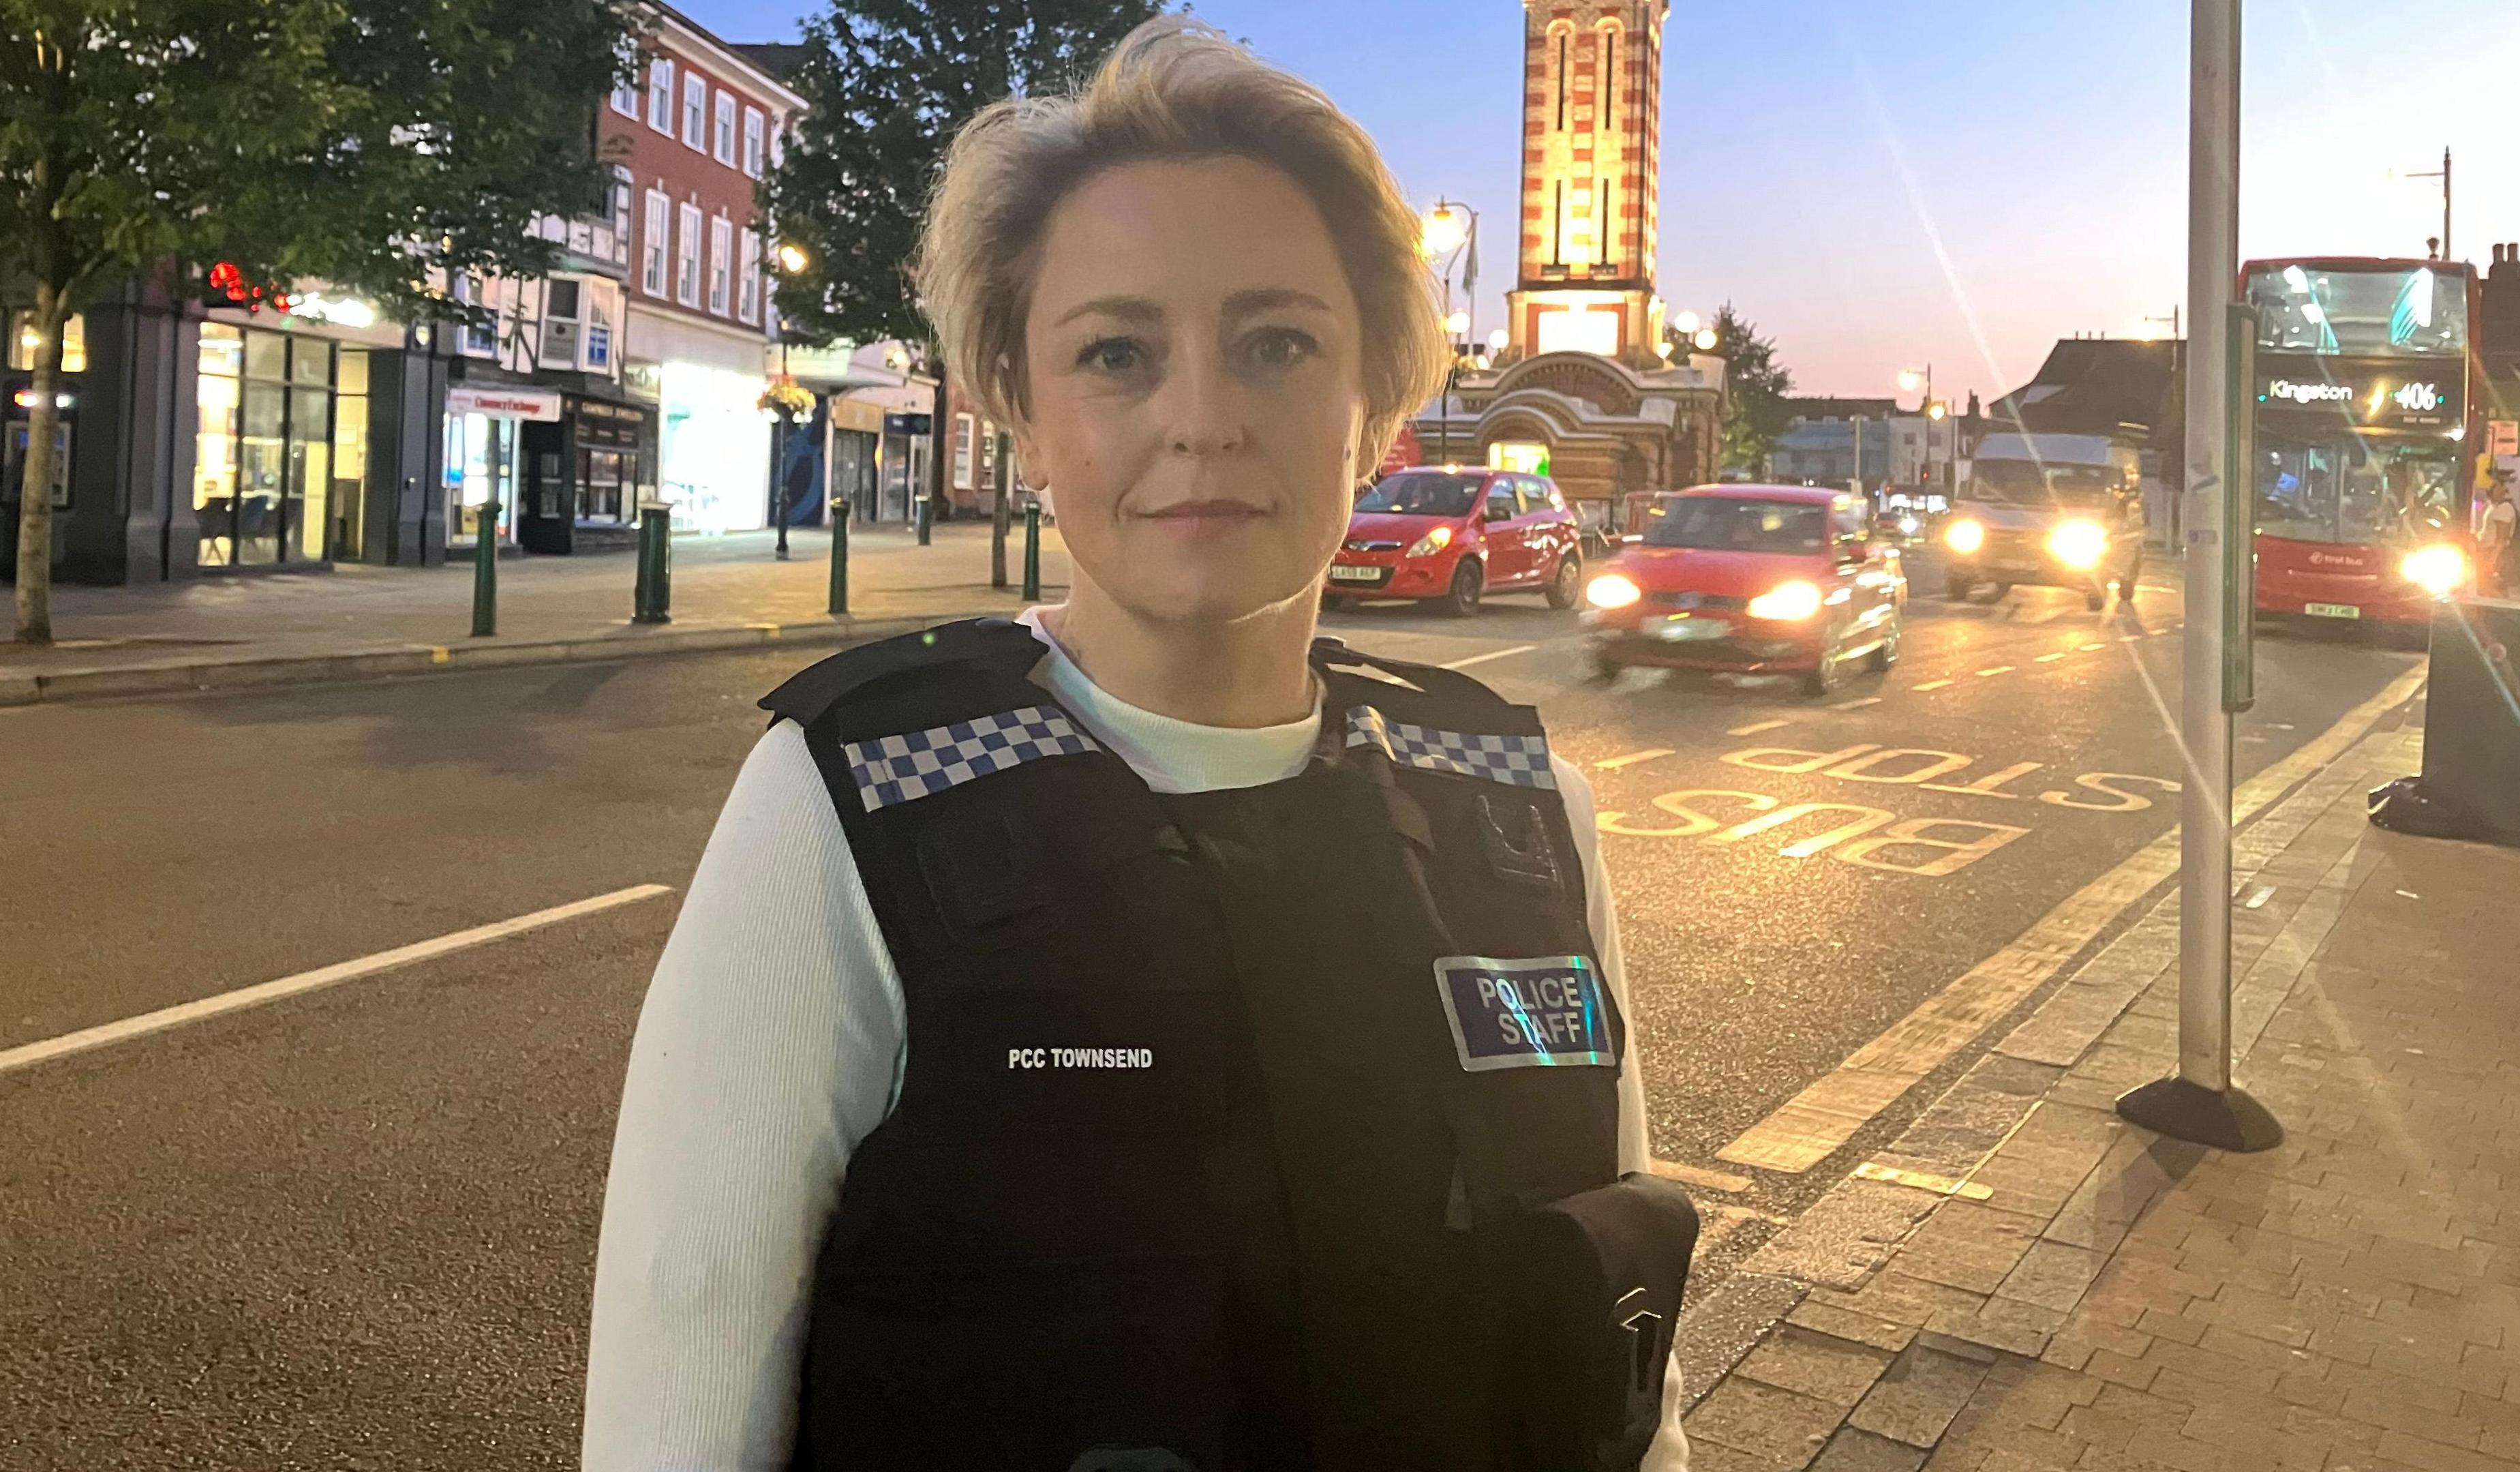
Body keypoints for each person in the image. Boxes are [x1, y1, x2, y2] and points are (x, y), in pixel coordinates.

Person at [583, 20, 1695, 1472]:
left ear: (1379, 408)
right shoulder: (848, 807)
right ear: (1024, 420)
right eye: (1116, 351)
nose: (1203, 418)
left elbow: (1620, 1361)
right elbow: (680, 1398)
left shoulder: (1519, 809)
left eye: (1277, 342)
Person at [2478, 469, 2518, 598]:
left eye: (2494, 487)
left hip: (2495, 555)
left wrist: (2492, 560)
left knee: (2494, 593)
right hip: (2488, 553)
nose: (2489, 490)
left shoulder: (2504, 508)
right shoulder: (2493, 506)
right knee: (2485, 592)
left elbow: (2501, 539)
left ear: (2503, 488)